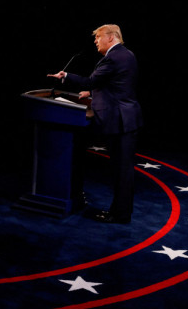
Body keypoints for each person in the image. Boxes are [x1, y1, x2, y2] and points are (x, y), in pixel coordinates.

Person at [48, 24, 143, 224]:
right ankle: (121, 212)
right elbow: (118, 84)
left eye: (98, 37)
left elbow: (90, 80)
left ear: (111, 37)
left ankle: (119, 214)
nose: (95, 41)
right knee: (123, 170)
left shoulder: (112, 58)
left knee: (121, 171)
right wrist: (92, 94)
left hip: (119, 121)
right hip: (127, 118)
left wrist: (66, 76)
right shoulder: (128, 55)